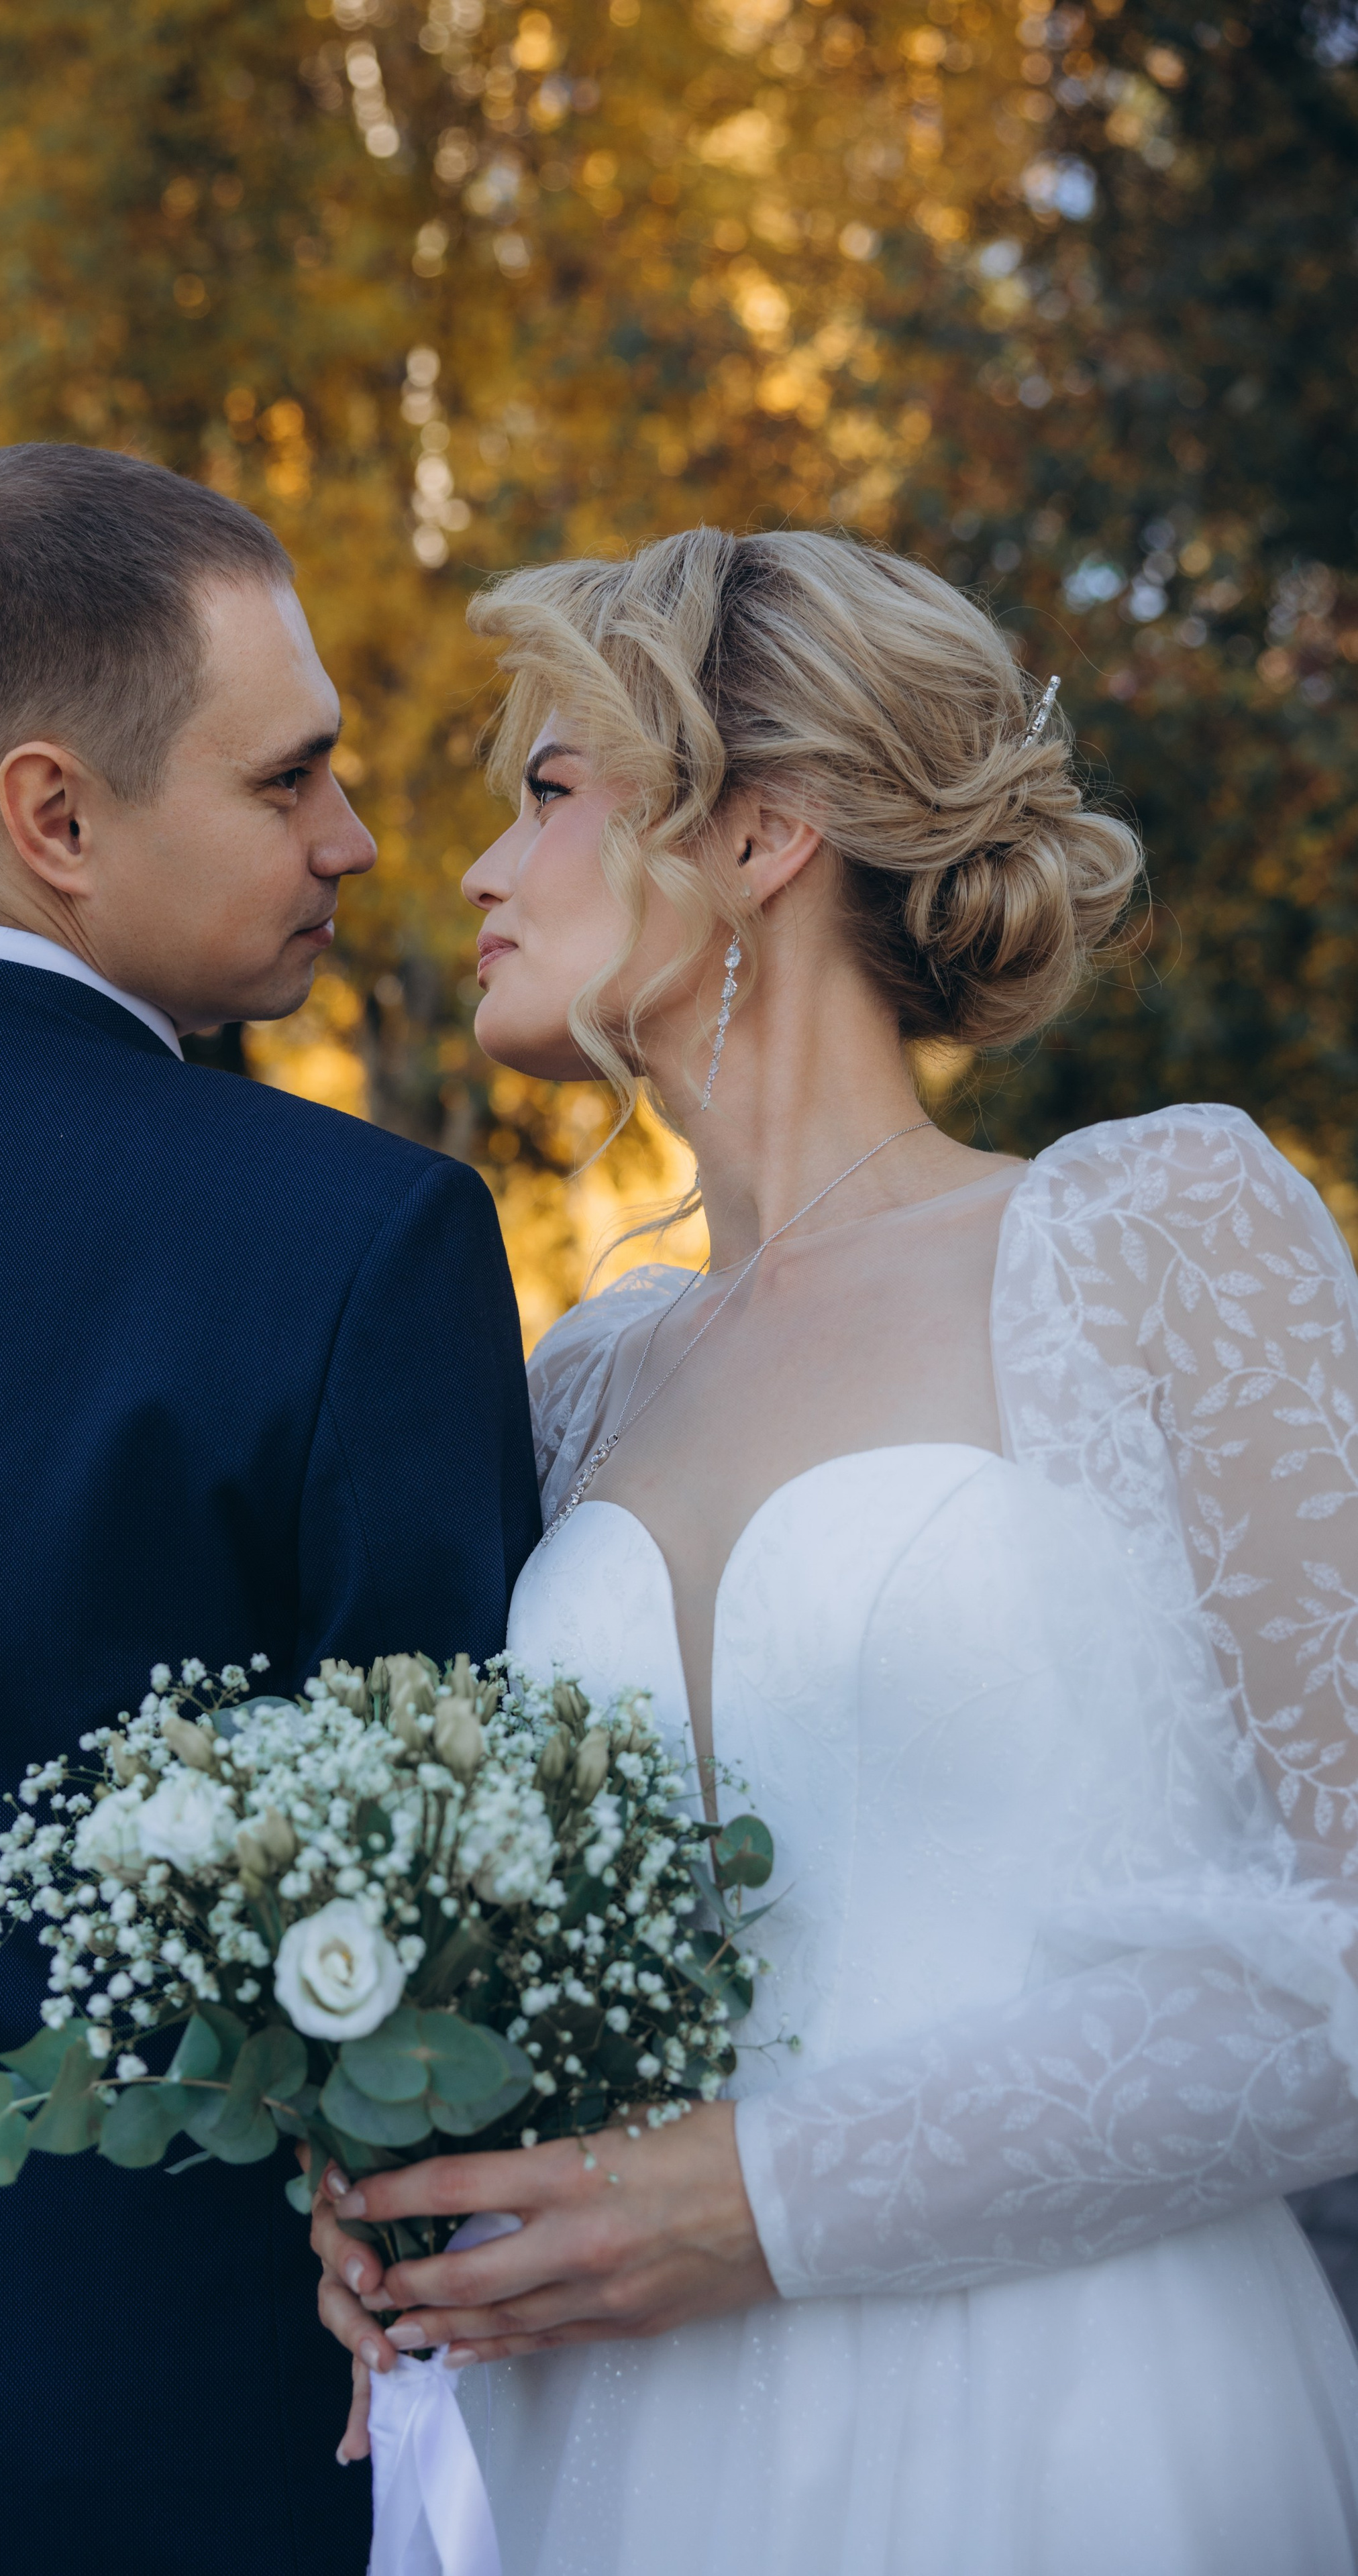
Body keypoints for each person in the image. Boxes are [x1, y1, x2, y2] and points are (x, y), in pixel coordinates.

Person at [313, 527, 1358, 2573]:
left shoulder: (1160, 1236)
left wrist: (770, 2203)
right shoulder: (579, 1380)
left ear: (765, 828)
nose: (477, 871)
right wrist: (393, 2179)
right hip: (610, 2443)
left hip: (1068, 2425)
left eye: (547, 792)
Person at [0, 443, 540, 2575]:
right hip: (170, 2431)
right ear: (56, 815)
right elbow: (439, 1934)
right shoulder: (366, 1242)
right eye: (285, 780)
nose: (353, 837)